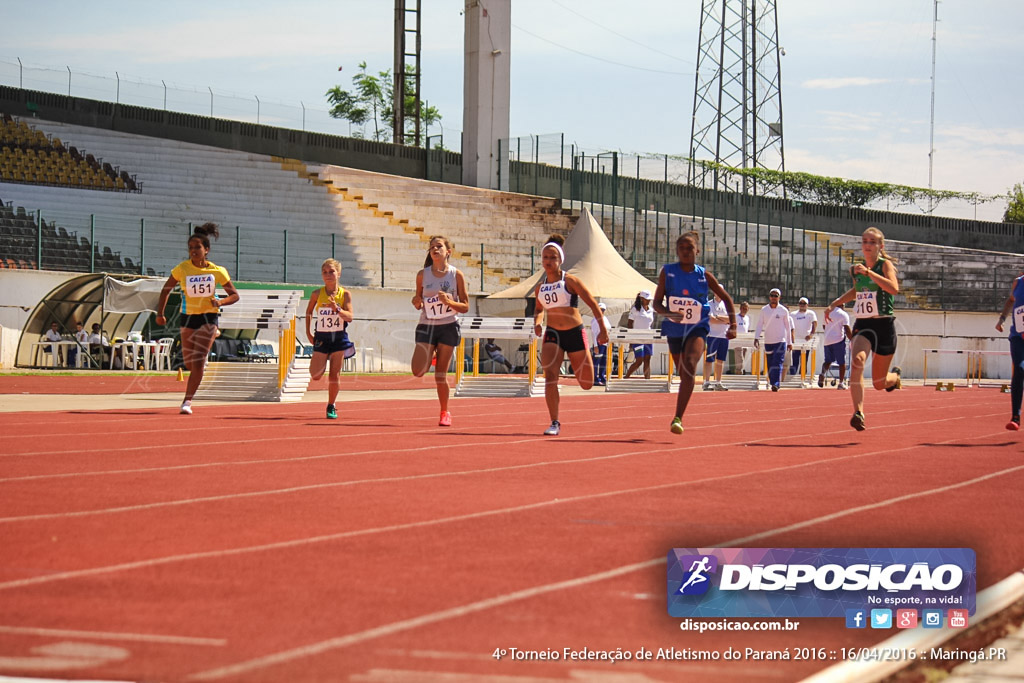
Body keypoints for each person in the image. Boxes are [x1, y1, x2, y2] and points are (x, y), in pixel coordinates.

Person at [653, 231, 736, 434]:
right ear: (676, 251)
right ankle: (680, 410)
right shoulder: (667, 272)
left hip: (697, 328)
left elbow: (726, 298)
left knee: (689, 367)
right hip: (674, 329)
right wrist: (669, 313)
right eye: (682, 248)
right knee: (684, 373)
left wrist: (733, 324)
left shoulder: (704, 275)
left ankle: (678, 417)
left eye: (689, 248)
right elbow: (656, 303)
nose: (686, 252)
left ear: (697, 251)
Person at [155, 223, 240, 415]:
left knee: (199, 360)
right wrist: (160, 313)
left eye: (197, 248)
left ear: (206, 250)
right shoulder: (182, 269)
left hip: (208, 317)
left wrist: (221, 302)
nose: (193, 251)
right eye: (191, 248)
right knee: (189, 361)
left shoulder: (218, 271)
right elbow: (166, 290)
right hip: (187, 318)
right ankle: (211, 338)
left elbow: (234, 295)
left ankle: (187, 401)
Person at [825, 226, 902, 431]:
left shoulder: (885, 266)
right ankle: (858, 412)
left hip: (884, 325)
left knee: (879, 383)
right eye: (865, 241)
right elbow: (857, 291)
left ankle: (895, 378)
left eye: (872, 242)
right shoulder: (855, 270)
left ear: (880, 246)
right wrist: (836, 302)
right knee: (857, 361)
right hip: (864, 324)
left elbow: (894, 289)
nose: (867, 245)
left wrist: (870, 273)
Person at [533, 234, 608, 435]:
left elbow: (593, 304)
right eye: (546, 257)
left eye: (553, 258)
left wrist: (602, 330)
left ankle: (580, 362)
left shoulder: (570, 281)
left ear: (560, 261)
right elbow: (539, 309)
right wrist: (538, 323)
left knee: (586, 384)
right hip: (553, 334)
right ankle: (554, 422)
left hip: (574, 333)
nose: (549, 261)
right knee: (550, 376)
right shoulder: (540, 287)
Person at [411, 235, 470, 427]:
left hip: (447, 326)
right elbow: (417, 301)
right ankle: (431, 353)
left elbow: (465, 306)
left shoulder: (456, 275)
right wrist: (417, 301)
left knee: (440, 374)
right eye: (432, 247)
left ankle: (445, 412)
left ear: (448, 252)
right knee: (418, 371)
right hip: (427, 325)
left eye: (439, 246)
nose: (435, 250)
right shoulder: (422, 275)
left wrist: (449, 302)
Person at [305, 258, 354, 420]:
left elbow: (350, 317)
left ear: (338, 273)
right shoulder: (317, 294)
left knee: (334, 375)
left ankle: (331, 405)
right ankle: (322, 360)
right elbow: (309, 312)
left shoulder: (345, 294)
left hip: (338, 338)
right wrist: (308, 333)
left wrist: (337, 309)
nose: (328, 275)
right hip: (322, 337)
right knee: (316, 375)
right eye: (325, 272)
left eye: (331, 271)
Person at [994, 274, 1024, 430]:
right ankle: (1015, 417)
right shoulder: (1018, 283)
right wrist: (1002, 319)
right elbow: (1011, 301)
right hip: (1018, 336)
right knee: (1019, 369)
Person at [754, 288, 794, 392]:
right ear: (769, 297)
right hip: (768, 341)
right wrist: (756, 337)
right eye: (772, 295)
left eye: (776, 296)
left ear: (779, 297)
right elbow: (759, 324)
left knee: (778, 362)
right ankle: (773, 383)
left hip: (781, 341)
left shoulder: (783, 310)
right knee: (770, 363)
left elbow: (788, 327)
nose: (774, 298)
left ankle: (776, 383)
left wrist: (790, 342)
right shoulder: (764, 310)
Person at [819, 302, 852, 389]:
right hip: (838, 340)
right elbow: (847, 329)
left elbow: (824, 326)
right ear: (842, 305)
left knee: (828, 361)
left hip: (827, 340)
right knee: (842, 362)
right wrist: (853, 339)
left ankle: (822, 374)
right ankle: (841, 383)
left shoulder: (828, 312)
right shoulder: (843, 314)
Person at [703, 292, 731, 390]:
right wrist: (723, 321)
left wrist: (718, 317)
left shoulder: (727, 304)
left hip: (724, 336)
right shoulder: (709, 304)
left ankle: (718, 382)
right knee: (709, 359)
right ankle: (706, 382)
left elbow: (730, 319)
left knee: (720, 360)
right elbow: (711, 319)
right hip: (712, 335)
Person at [624, 290, 655, 379]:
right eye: (647, 299)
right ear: (641, 298)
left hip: (648, 338)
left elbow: (650, 323)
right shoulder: (635, 309)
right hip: (637, 338)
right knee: (639, 360)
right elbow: (630, 324)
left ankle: (647, 380)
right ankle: (626, 377)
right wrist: (631, 339)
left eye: (649, 299)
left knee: (647, 360)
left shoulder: (651, 310)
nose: (649, 301)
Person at [789, 297, 818, 380]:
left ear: (807, 305)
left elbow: (815, 323)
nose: (802, 305)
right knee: (794, 359)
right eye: (800, 303)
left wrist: (811, 334)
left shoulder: (811, 313)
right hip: (795, 340)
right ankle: (792, 377)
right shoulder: (793, 314)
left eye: (804, 303)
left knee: (804, 360)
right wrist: (791, 337)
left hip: (806, 340)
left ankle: (802, 377)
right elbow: (789, 326)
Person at [590, 302, 612, 385]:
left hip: (605, 343)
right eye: (600, 310)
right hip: (599, 343)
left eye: (603, 310)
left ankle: (602, 377)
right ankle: (595, 379)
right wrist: (595, 346)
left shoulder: (605, 318)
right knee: (596, 362)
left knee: (603, 361)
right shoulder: (595, 320)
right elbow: (593, 334)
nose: (601, 311)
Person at [735, 301, 751, 374]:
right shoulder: (736, 317)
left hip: (745, 340)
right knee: (739, 358)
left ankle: (741, 371)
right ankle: (739, 371)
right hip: (738, 340)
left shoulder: (747, 318)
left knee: (743, 357)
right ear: (740, 308)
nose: (744, 310)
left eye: (746, 308)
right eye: (743, 308)